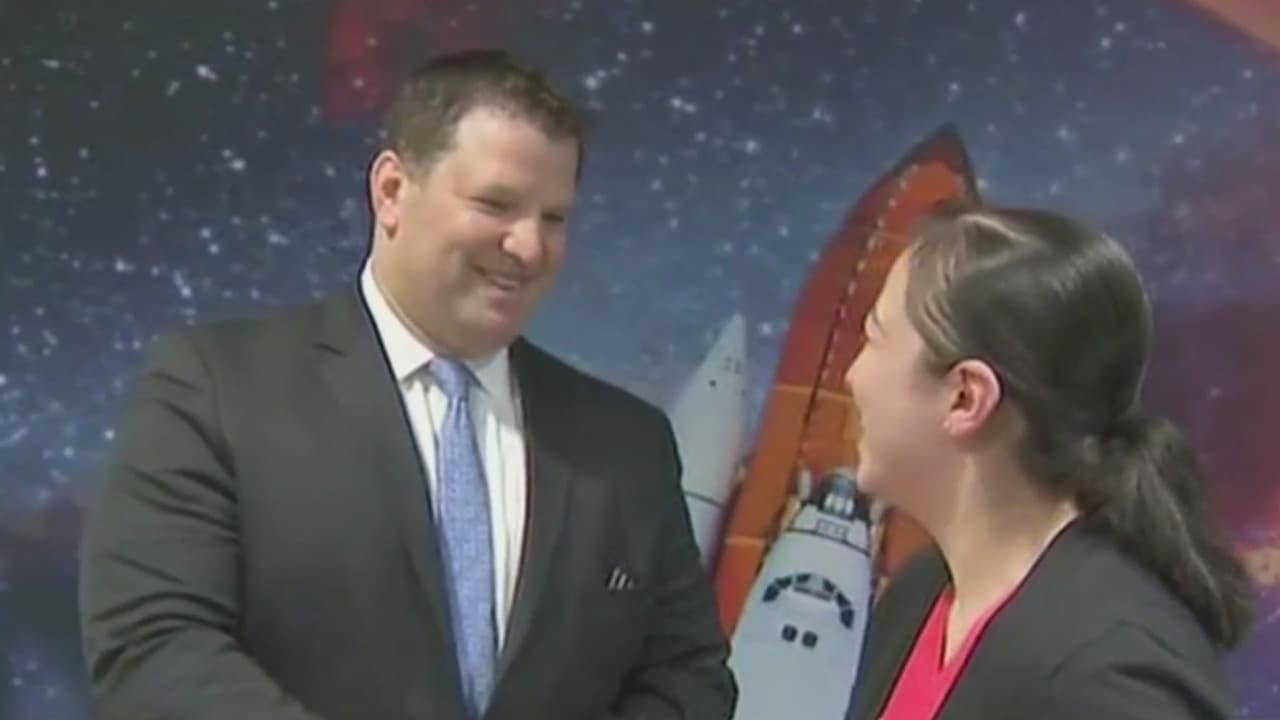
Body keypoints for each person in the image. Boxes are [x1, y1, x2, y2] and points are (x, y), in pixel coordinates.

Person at [78, 49, 736, 720]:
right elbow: (155, 648)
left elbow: (687, 676)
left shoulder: (625, 446)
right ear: (391, 190)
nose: (529, 247)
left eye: (554, 218)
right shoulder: (215, 389)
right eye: (497, 204)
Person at [843, 201, 1255, 720]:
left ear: (966, 398)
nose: (852, 376)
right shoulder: (921, 593)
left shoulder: (1110, 678)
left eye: (874, 338)